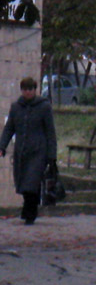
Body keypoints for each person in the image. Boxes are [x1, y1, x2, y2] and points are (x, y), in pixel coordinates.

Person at [0, 77, 58, 225]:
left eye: (30, 89)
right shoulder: (16, 107)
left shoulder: (44, 107)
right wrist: (2, 146)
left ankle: (29, 214)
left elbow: (50, 132)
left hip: (39, 152)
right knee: (23, 183)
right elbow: (9, 129)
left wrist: (52, 156)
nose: (27, 92)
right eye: (25, 89)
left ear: (35, 90)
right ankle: (29, 211)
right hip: (21, 151)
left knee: (32, 183)